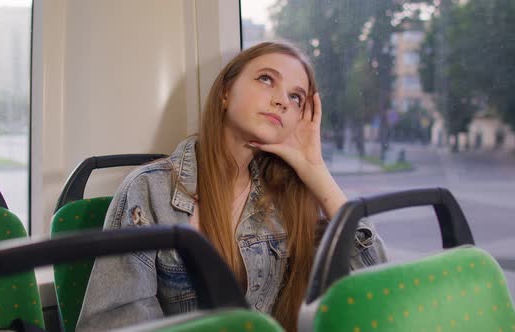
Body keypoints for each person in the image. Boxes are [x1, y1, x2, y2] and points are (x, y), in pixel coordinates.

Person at [76, 41, 387, 332]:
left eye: (296, 97)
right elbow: (114, 323)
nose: (281, 100)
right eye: (267, 79)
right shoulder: (150, 190)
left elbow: (377, 293)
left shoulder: (286, 196)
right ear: (225, 92)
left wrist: (316, 171)